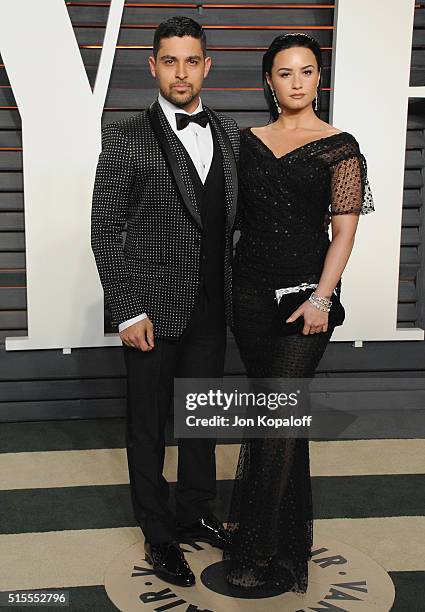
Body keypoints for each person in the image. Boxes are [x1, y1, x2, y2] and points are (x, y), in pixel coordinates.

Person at [222, 32, 375, 594]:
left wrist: (322, 297)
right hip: (249, 296)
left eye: (306, 72)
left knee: (280, 414)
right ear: (269, 81)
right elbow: (225, 222)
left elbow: (344, 233)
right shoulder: (243, 143)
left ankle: (258, 549)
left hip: (305, 299)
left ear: (318, 79)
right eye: (284, 73)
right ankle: (293, 545)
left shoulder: (340, 147)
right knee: (279, 419)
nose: (296, 82)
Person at [91, 16, 239, 588]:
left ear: (207, 66)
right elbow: (106, 227)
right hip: (150, 314)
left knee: (200, 421)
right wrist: (127, 310)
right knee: (149, 429)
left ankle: (197, 510)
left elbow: (235, 223)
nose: (182, 72)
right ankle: (159, 534)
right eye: (170, 61)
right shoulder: (126, 137)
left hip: (212, 310)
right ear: (153, 66)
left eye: (191, 60)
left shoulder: (227, 135)